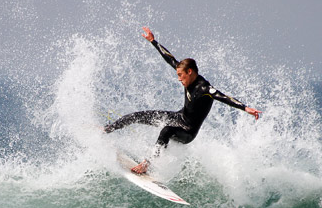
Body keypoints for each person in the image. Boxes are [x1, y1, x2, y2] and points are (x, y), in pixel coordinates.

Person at [104, 27, 262, 174]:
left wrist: (246, 108)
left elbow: (223, 97)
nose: (179, 78)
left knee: (166, 131)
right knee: (139, 115)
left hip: (188, 131)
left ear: (190, 72)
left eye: (181, 75)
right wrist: (153, 41)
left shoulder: (204, 88)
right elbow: (170, 59)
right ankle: (107, 129)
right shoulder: (186, 75)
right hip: (180, 117)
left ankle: (147, 165)